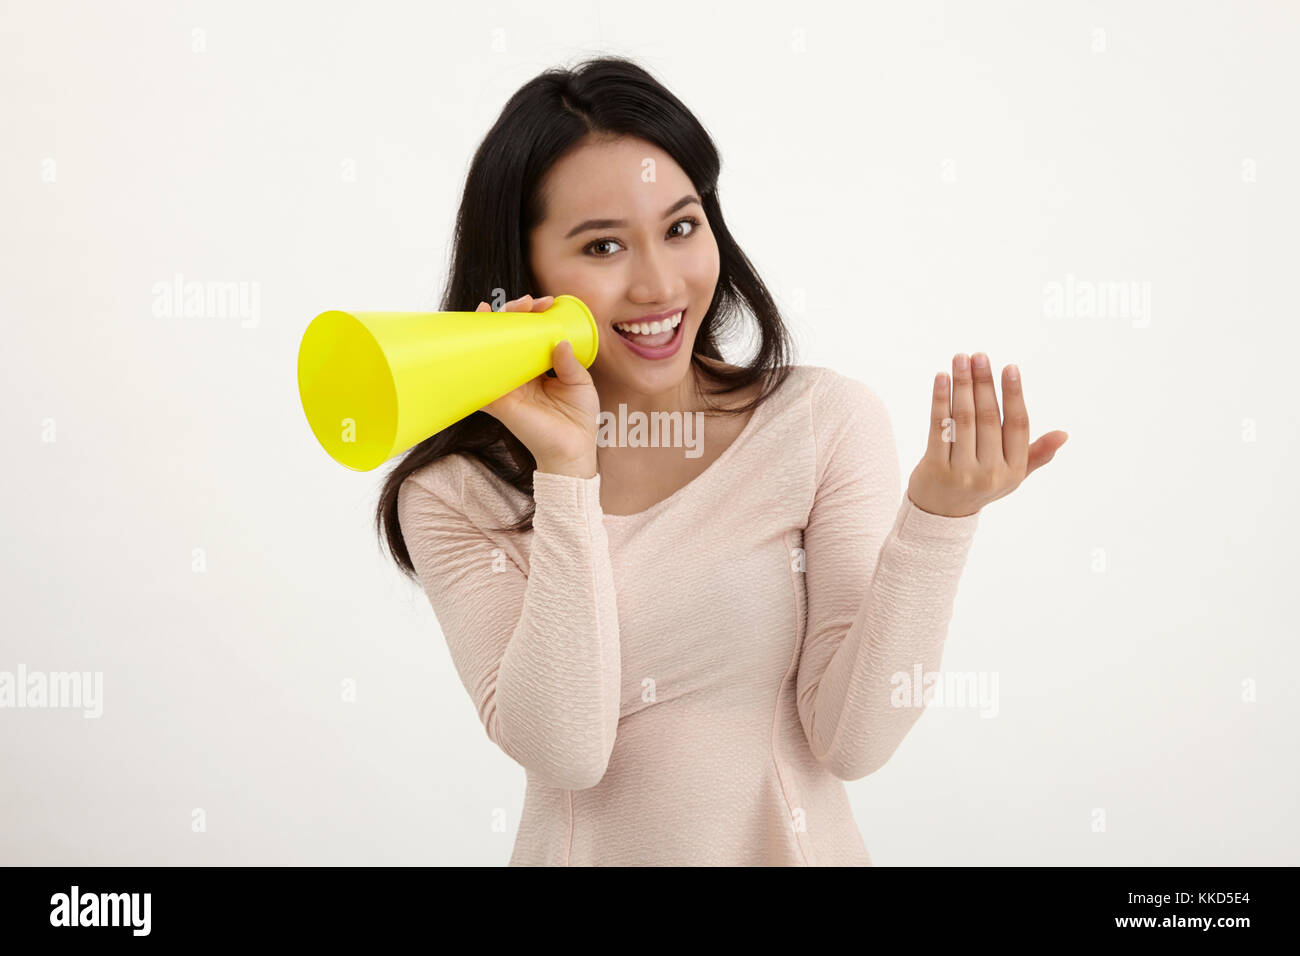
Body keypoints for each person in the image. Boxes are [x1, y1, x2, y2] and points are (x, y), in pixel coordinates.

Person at [375, 56, 1068, 865]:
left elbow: (853, 742)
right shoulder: (456, 494)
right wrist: (565, 470)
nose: (659, 284)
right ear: (518, 274)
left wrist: (938, 523)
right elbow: (567, 753)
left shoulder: (819, 423)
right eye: (602, 246)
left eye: (680, 226)